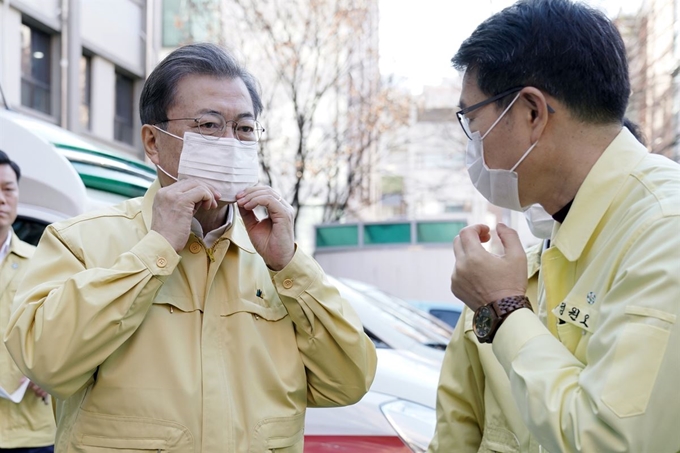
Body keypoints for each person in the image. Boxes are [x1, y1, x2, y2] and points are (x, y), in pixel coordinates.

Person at [4, 43, 377, 452]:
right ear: (152, 141)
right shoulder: (80, 240)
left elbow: (349, 381)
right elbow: (46, 362)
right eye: (209, 125)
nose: (231, 143)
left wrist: (289, 266)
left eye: (245, 128)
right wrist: (155, 251)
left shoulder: (273, 254)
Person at [430, 0, 680, 452]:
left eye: (472, 119)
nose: (472, 144)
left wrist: (503, 308)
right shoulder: (563, 231)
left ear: (531, 112)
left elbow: (607, 440)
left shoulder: (665, 230)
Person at [0, 151, 56, 452]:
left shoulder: (44, 262)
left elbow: (67, 330)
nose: (2, 199)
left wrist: (54, 372)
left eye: (8, 189)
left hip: (33, 431)